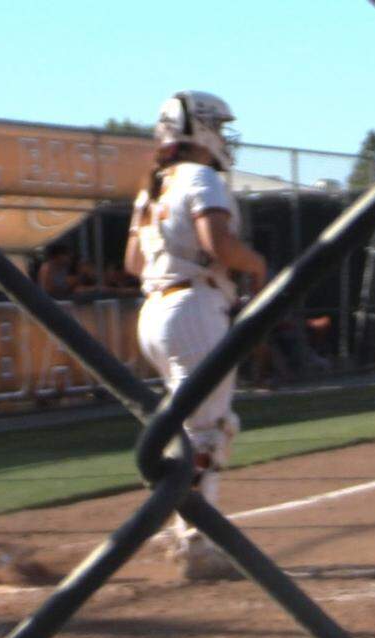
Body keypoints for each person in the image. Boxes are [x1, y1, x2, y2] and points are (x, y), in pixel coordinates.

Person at [123, 90, 266, 580]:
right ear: (199, 129)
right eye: (218, 128)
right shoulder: (201, 176)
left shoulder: (153, 188)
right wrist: (258, 264)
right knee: (210, 429)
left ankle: (177, 522)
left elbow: (132, 263)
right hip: (195, 307)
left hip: (155, 310)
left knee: (191, 427)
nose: (223, 138)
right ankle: (195, 541)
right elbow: (218, 244)